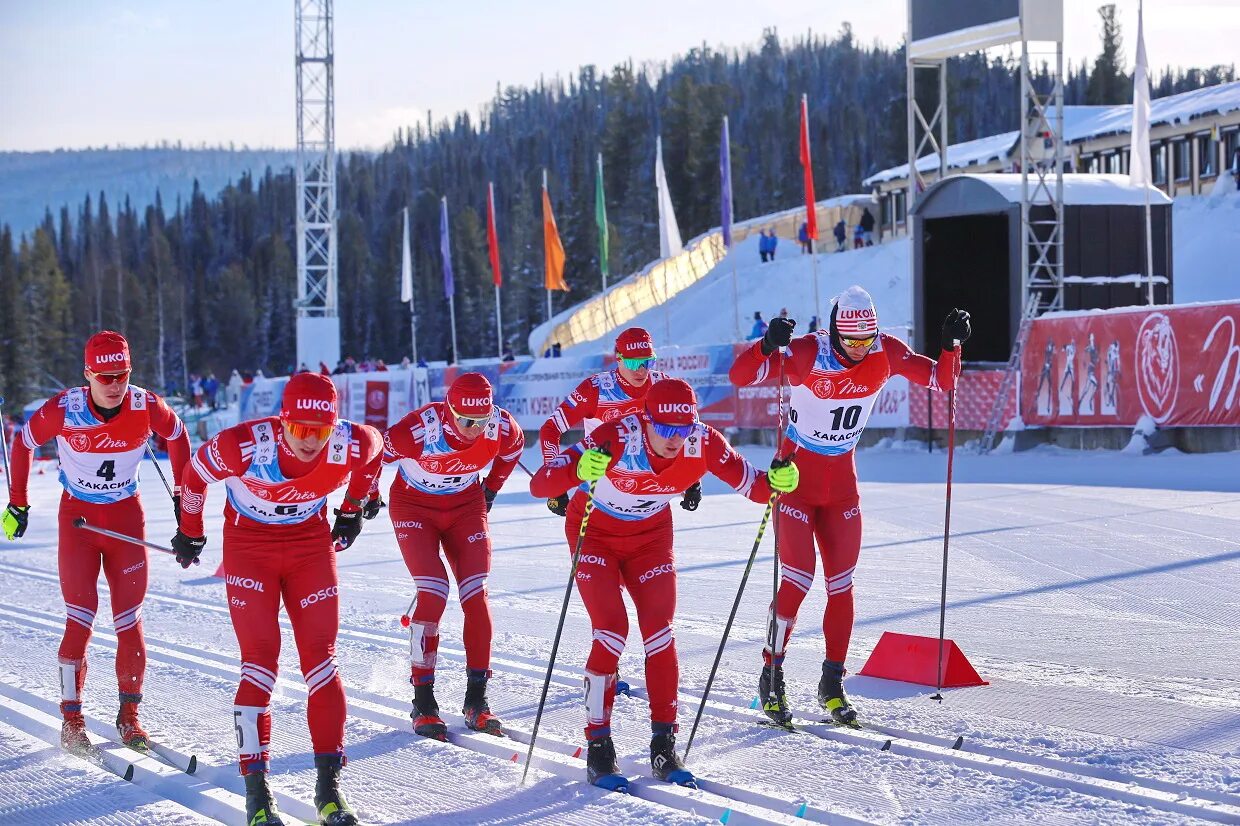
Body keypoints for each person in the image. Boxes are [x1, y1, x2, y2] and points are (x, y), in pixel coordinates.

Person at [529, 378, 800, 789]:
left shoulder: (703, 442)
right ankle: (599, 746)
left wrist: (781, 479)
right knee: (611, 632)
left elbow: (758, 488)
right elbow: (539, 484)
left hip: (651, 541)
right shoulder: (614, 436)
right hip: (595, 536)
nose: (676, 440)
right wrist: (577, 469)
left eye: (684, 429)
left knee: (660, 634)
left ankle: (663, 744)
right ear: (645, 420)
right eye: (666, 430)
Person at [728, 286, 970, 728]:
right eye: (851, 342)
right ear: (834, 332)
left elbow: (943, 380)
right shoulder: (806, 353)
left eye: (867, 339)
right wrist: (764, 345)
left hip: (841, 487)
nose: (860, 350)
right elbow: (741, 376)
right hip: (796, 481)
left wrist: (951, 345)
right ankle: (772, 674)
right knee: (798, 580)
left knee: (842, 586)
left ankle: (831, 684)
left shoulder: (886, 352)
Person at [174, 372, 383, 826]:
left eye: (321, 431)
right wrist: (190, 532)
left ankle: (329, 792)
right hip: (250, 549)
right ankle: (257, 797)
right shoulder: (244, 445)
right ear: (283, 421)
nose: (311, 441)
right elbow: (193, 476)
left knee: (322, 663)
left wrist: (352, 510)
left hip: (309, 546)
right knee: (260, 664)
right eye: (301, 430)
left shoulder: (350, 442)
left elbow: (376, 450)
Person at [2, 331, 191, 755]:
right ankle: (72, 722)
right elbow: (23, 441)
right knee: (79, 621)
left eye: (121, 374)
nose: (114, 384)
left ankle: (130, 718)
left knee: (130, 621)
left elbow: (178, 436)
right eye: (104, 376)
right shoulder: (64, 409)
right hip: (79, 523)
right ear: (87, 373)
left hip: (126, 517)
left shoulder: (146, 405)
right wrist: (18, 503)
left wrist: (184, 501)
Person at [376, 372, 524, 740]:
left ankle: (477, 700)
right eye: (465, 421)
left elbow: (512, 452)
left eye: (482, 420)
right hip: (414, 507)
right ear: (448, 411)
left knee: (476, 594)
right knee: (433, 591)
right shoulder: (418, 429)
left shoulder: (502, 426)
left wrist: (490, 489)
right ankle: (423, 701)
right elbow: (374, 455)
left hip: (465, 506)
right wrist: (361, 498)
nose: (475, 429)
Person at [538, 327, 670, 517]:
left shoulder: (662, 385)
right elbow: (551, 429)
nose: (641, 370)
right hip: (600, 494)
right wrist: (555, 485)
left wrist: (692, 481)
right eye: (633, 363)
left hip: (648, 495)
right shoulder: (596, 390)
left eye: (647, 362)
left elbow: (687, 431)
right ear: (619, 359)